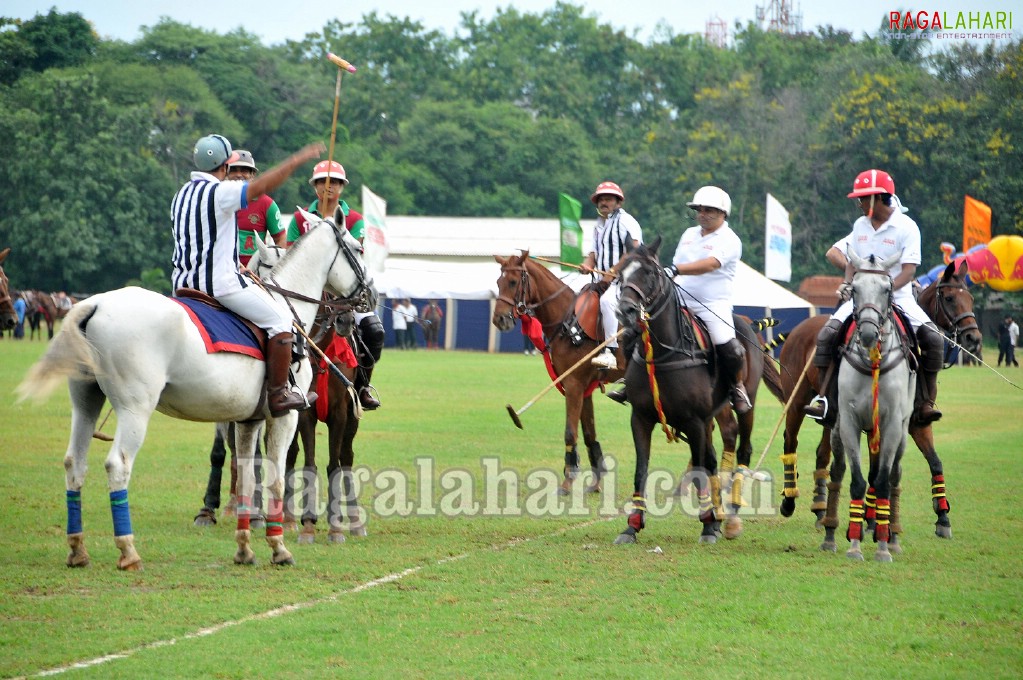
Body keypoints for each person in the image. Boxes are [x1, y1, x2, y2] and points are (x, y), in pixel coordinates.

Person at [171, 133, 324, 417]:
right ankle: (278, 395)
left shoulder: (181, 195)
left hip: (182, 284)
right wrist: (297, 159)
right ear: (225, 166)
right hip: (220, 286)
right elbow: (262, 186)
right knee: (281, 320)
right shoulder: (220, 192)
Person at [804, 169, 944, 426]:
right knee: (825, 335)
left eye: (863, 198)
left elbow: (909, 270)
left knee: (933, 339)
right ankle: (826, 400)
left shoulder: (907, 227)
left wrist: (887, 290)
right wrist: (848, 283)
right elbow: (851, 260)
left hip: (899, 296)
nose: (859, 203)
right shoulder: (860, 226)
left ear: (880, 198)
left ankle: (925, 402)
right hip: (861, 297)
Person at [609, 186, 751, 413]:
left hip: (712, 304)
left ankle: (737, 386)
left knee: (730, 348)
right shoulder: (688, 235)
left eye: (709, 210)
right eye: (699, 209)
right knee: (633, 332)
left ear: (723, 213)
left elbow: (711, 263)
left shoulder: (730, 239)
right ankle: (630, 381)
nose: (702, 214)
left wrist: (675, 269)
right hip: (678, 298)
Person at [288, 160, 383, 409]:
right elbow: (290, 257)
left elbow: (351, 257)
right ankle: (282, 386)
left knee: (374, 331)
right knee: (279, 332)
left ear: (342, 187)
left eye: (334, 182)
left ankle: (363, 386)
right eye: (322, 181)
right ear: (314, 186)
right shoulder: (300, 219)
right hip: (308, 295)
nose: (328, 187)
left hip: (345, 294)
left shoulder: (354, 219)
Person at [580, 181, 643, 369]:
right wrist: (587, 265)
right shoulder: (599, 225)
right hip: (603, 279)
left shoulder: (626, 221)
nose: (603, 202)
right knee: (579, 298)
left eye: (608, 199)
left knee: (607, 301)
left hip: (626, 280)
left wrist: (612, 272)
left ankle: (611, 351)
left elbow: (634, 250)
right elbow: (593, 254)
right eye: (600, 199)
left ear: (618, 202)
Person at [227, 150, 287, 266]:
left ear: (252, 175)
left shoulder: (267, 204)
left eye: (244, 170)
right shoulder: (215, 200)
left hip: (254, 274)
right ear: (225, 172)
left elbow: (281, 240)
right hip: (222, 271)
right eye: (234, 170)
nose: (239, 175)